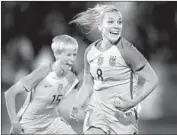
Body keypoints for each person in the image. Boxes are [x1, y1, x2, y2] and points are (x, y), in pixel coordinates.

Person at [69, 4, 158, 135]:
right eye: (110, 22)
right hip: (97, 113)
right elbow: (88, 85)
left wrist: (133, 102)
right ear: (100, 26)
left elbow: (152, 79)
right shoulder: (90, 52)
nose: (116, 26)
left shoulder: (127, 51)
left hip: (122, 117)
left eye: (119, 22)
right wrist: (78, 104)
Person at [4, 34, 79, 134]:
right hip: (30, 125)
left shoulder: (71, 77)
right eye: (68, 55)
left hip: (52, 123)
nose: (72, 59)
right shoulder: (44, 71)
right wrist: (14, 123)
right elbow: (9, 93)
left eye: (74, 55)